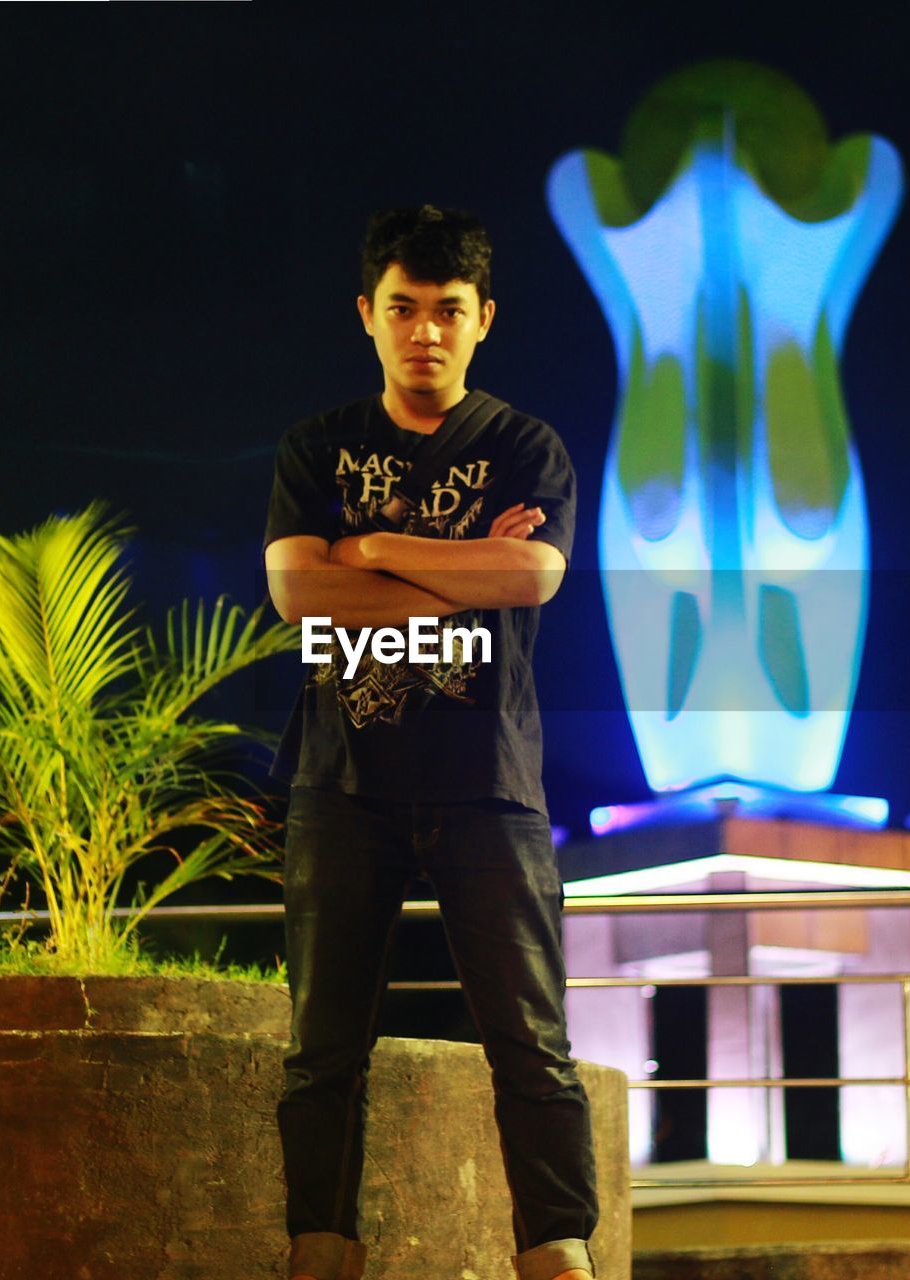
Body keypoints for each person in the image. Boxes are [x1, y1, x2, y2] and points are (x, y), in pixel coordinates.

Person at [262, 204, 597, 1280]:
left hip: (484, 781)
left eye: (448, 311)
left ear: (482, 319)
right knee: (322, 1049)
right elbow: (293, 590)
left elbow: (530, 576)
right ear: (366, 314)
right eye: (402, 309)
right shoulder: (316, 445)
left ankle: (558, 1255)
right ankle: (321, 1253)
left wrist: (369, 548)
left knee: (530, 1040)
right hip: (338, 782)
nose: (424, 332)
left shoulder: (521, 445)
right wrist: (454, 565)